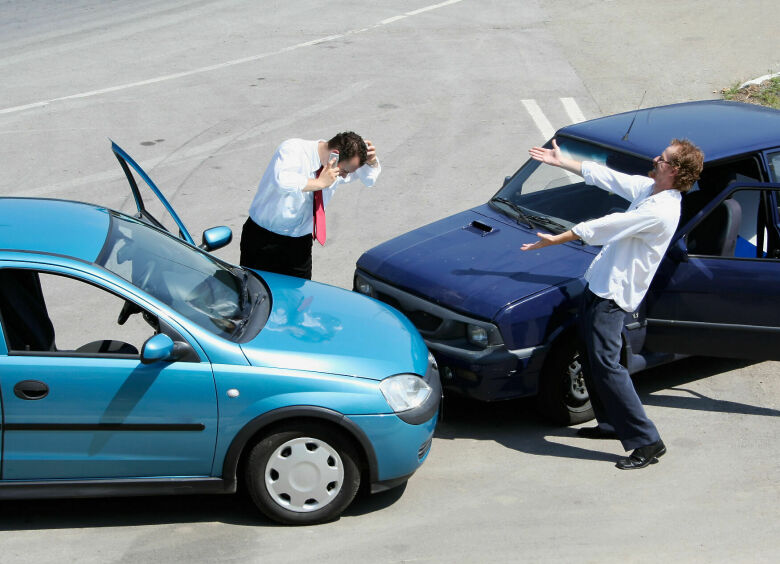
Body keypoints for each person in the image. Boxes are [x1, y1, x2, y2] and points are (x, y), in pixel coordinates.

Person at [521, 138, 704, 470]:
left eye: (661, 158)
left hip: (612, 297)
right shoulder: (651, 190)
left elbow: (608, 225)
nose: (654, 157)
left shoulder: (660, 210)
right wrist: (562, 162)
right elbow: (607, 177)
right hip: (600, 286)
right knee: (596, 359)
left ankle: (648, 442)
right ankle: (609, 424)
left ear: (673, 170)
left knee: (607, 366)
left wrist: (558, 238)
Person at [240, 131, 380, 280]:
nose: (345, 176)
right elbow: (282, 181)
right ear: (335, 155)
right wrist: (319, 183)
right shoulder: (293, 149)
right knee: (254, 295)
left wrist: (372, 162)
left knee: (300, 298)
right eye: (345, 171)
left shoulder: (335, 168)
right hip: (263, 240)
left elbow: (369, 180)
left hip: (299, 245)